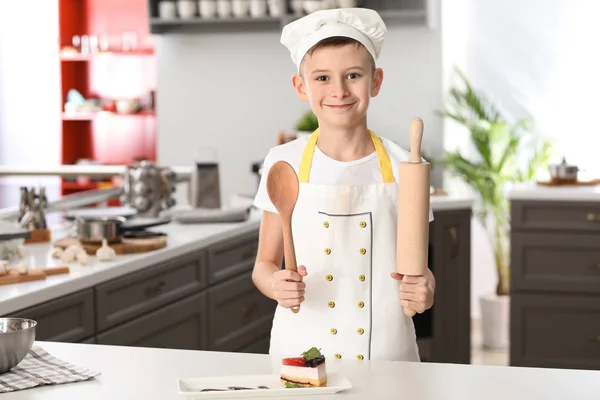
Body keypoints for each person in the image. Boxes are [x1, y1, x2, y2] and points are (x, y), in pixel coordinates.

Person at [252, 7, 435, 362]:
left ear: (375, 81)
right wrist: (276, 285)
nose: (338, 90)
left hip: (386, 352)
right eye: (322, 78)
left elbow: (419, 269)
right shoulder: (282, 162)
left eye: (353, 75)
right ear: (301, 87)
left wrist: (425, 288)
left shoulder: (406, 166)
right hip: (300, 351)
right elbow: (263, 264)